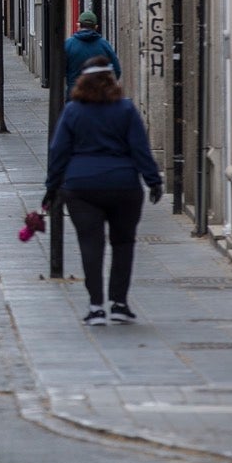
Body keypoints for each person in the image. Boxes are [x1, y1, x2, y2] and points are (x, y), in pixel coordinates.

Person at [45, 55, 163, 326]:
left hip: (82, 187)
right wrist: (153, 180)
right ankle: (119, 303)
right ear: (112, 79)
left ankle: (96, 306)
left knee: (91, 245)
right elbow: (140, 148)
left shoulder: (73, 111)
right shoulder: (125, 110)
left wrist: (52, 187)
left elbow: (58, 151)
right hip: (123, 186)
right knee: (123, 243)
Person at [64, 10, 122, 94]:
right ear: (96, 27)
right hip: (100, 95)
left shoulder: (68, 44)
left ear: (78, 25)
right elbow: (117, 70)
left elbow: (60, 71)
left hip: (75, 94)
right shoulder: (104, 45)